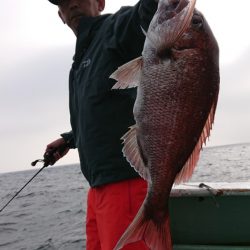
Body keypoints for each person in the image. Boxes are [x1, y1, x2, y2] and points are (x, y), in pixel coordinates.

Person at [45, 0, 158, 249]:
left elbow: (152, 10)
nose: (71, 4)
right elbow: (100, 109)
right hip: (97, 192)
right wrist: (69, 139)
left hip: (126, 185)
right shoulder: (81, 60)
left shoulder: (116, 29)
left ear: (100, 3)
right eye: (64, 2)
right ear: (60, 16)